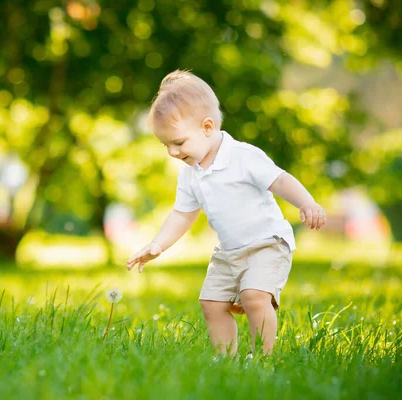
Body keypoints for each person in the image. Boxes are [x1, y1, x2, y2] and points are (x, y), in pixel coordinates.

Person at [126, 70, 326, 356]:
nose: (172, 152)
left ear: (207, 127)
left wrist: (306, 203)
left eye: (178, 143)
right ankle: (227, 360)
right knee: (211, 304)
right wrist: (157, 245)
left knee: (254, 296)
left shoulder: (243, 156)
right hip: (228, 252)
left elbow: (280, 179)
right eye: (165, 145)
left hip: (268, 243)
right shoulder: (190, 174)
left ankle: (264, 358)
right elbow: (182, 215)